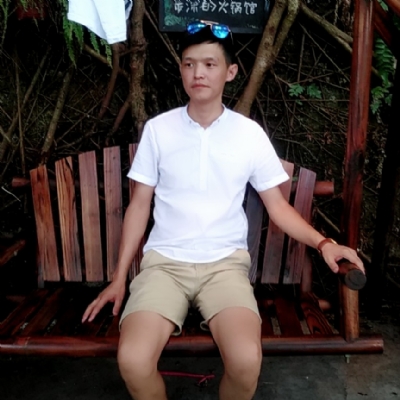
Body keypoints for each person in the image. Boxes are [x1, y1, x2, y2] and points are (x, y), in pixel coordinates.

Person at [82, 20, 364, 400]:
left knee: (246, 361)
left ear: (230, 72)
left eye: (209, 64)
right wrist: (119, 279)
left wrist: (324, 243)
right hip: (164, 265)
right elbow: (139, 205)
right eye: (189, 64)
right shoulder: (159, 130)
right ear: (181, 69)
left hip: (225, 267)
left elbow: (277, 207)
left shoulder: (248, 135)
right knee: (133, 360)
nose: (198, 73)